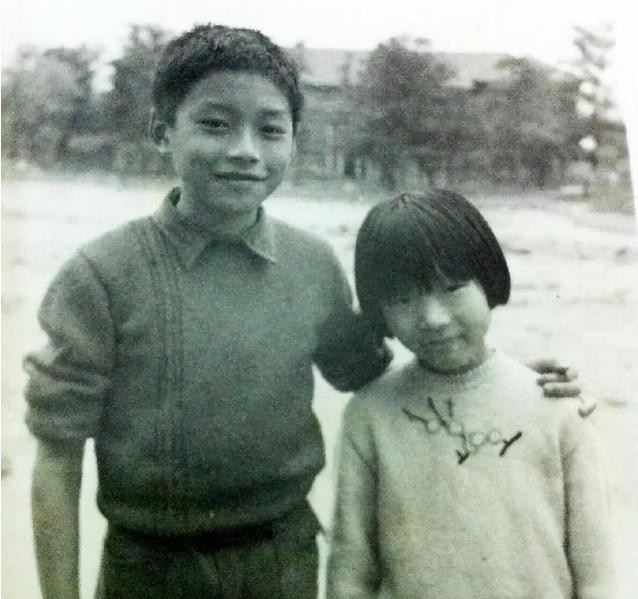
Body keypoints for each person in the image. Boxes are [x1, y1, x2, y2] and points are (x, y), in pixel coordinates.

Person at [24, 25, 581, 599]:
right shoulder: (101, 275)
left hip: (283, 562)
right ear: (161, 131)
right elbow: (57, 458)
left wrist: (499, 380)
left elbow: (380, 376)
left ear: (293, 140)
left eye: (270, 130)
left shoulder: (311, 265)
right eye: (215, 124)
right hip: (148, 569)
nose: (245, 150)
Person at [327, 190, 614, 599]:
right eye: (403, 298)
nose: (432, 318)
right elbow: (350, 572)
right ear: (379, 310)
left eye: (452, 287)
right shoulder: (369, 414)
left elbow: (597, 575)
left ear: (489, 279)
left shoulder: (556, 408)